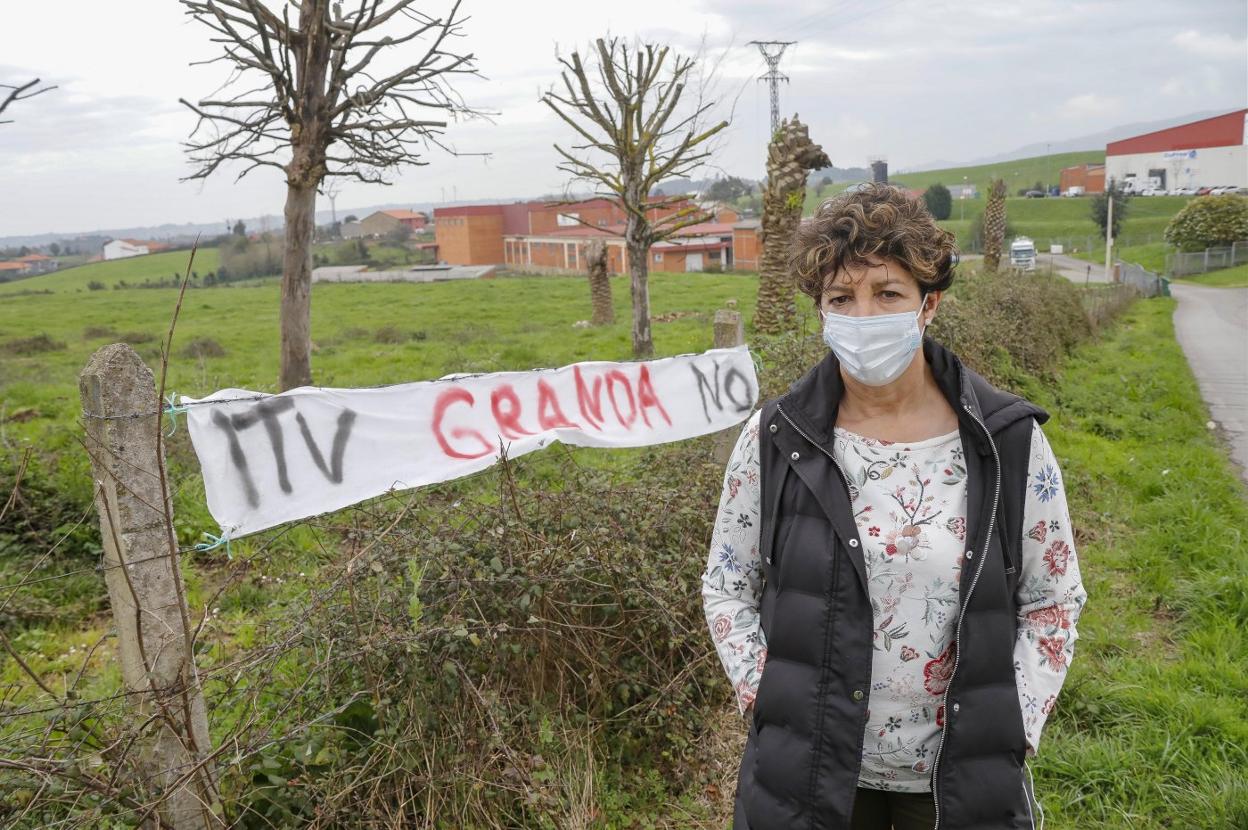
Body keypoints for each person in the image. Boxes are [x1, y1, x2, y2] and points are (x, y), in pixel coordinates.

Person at [702, 183, 1087, 830]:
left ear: (928, 305)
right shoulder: (776, 440)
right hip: (808, 777)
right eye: (841, 298)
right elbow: (725, 587)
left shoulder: (1008, 442)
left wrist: (1014, 724)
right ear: (822, 313)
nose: (863, 314)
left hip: (957, 787)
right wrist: (763, 696)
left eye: (887, 293)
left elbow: (1053, 600)